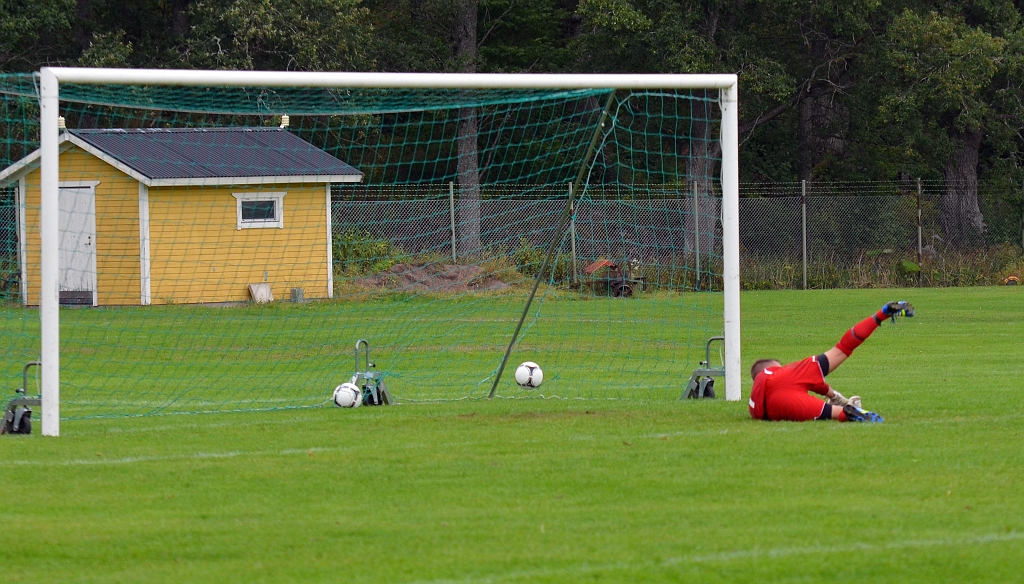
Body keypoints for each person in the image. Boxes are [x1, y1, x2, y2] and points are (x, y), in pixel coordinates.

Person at [748, 301, 914, 423]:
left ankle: (852, 412)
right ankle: (881, 314)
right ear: (773, 367)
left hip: (774, 408)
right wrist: (835, 395)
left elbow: (812, 386)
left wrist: (835, 397)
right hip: (790, 380)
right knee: (842, 349)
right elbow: (804, 382)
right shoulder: (784, 371)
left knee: (836, 414)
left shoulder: (756, 393)